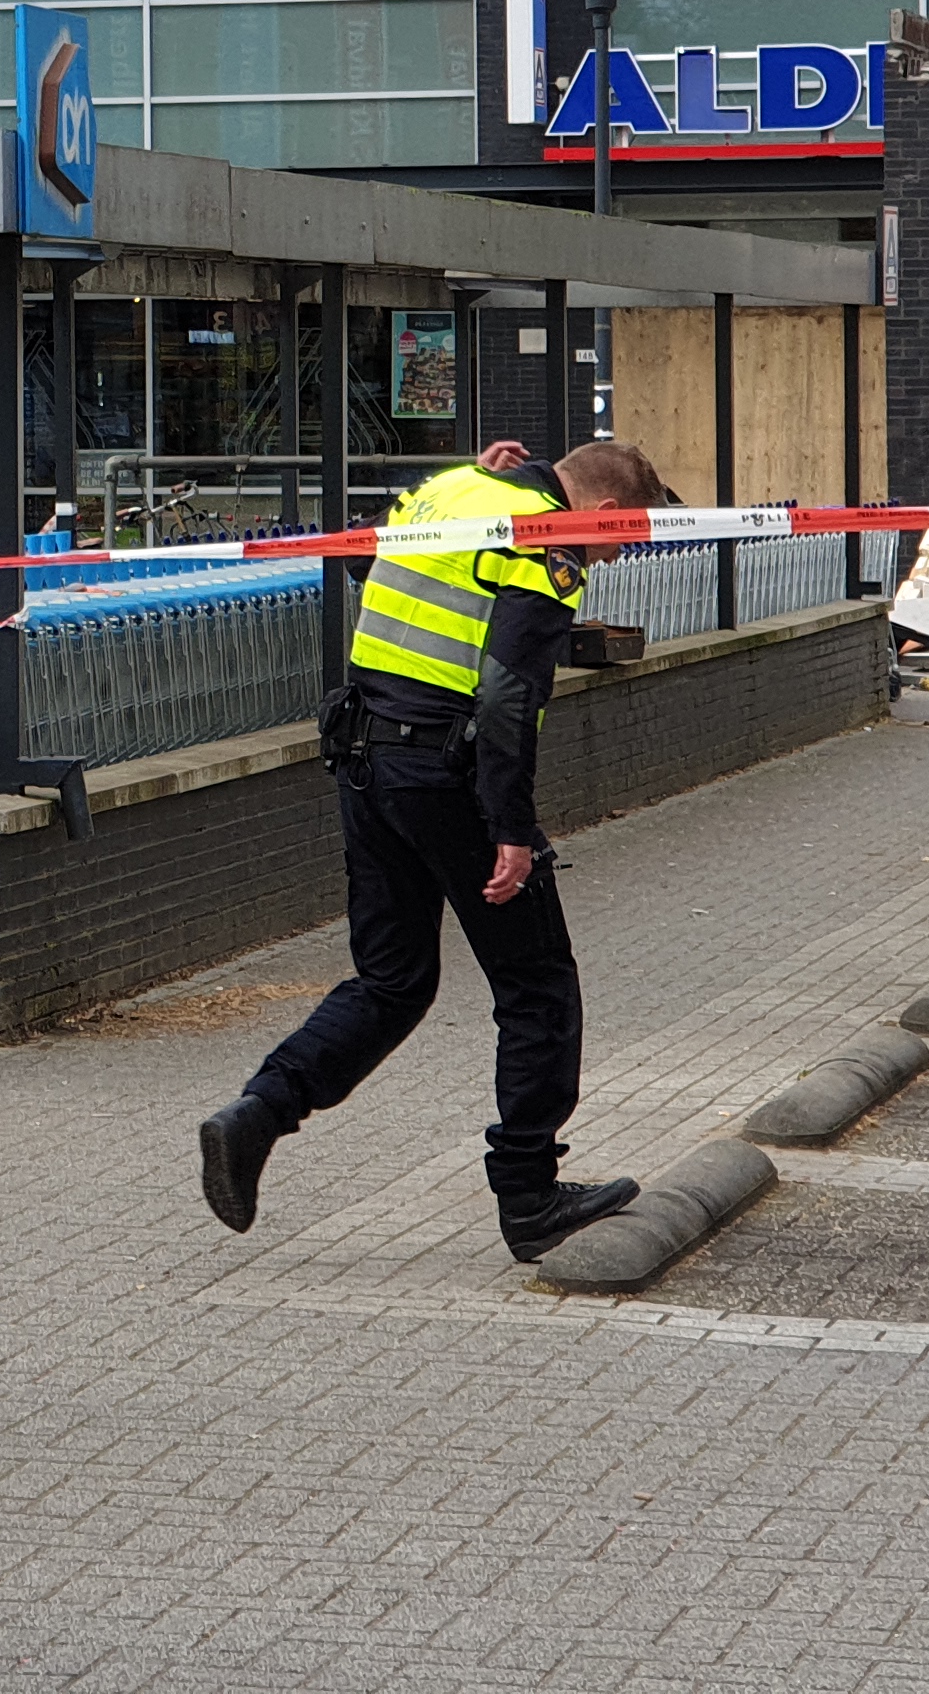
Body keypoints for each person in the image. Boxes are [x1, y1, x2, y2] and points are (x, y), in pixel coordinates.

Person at [198, 434, 672, 1260]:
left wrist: (486, 480)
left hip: (366, 760)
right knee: (536, 986)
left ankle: (260, 1111)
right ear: (599, 511)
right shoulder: (544, 543)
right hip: (446, 774)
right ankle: (528, 1196)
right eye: (622, 538)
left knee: (393, 979)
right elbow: (508, 697)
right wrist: (512, 829)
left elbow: (365, 563)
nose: (616, 556)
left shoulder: (452, 490)